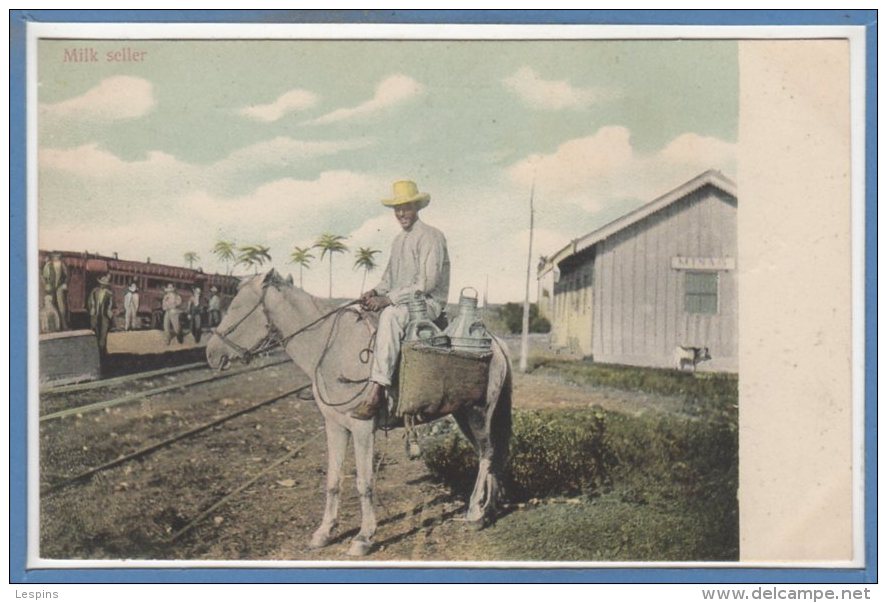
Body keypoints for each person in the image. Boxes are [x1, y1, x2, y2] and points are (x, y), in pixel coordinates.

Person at [351, 180, 450, 420]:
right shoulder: (398, 240)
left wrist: (387, 300)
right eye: (397, 209)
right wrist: (374, 292)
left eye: (406, 207)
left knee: (391, 316)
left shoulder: (431, 236)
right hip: (405, 301)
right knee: (358, 314)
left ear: (417, 207)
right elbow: (388, 279)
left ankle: (377, 391)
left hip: (426, 304)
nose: (401, 213)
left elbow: (426, 284)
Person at [87, 274, 114, 356]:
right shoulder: (95, 291)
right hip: (95, 315)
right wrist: (91, 308)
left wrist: (110, 312)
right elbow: (90, 301)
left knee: (103, 333)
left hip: (104, 316)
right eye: (102, 284)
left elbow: (111, 304)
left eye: (104, 284)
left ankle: (102, 351)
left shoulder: (109, 294)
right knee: (95, 332)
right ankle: (95, 351)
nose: (103, 285)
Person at [41, 251, 69, 330]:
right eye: (55, 256)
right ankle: (52, 326)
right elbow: (44, 277)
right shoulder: (48, 265)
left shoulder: (62, 265)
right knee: (50, 305)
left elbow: (67, 275)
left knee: (62, 307)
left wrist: (65, 284)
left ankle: (64, 325)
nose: (57, 257)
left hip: (59, 287)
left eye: (58, 256)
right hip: (51, 287)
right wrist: (46, 284)